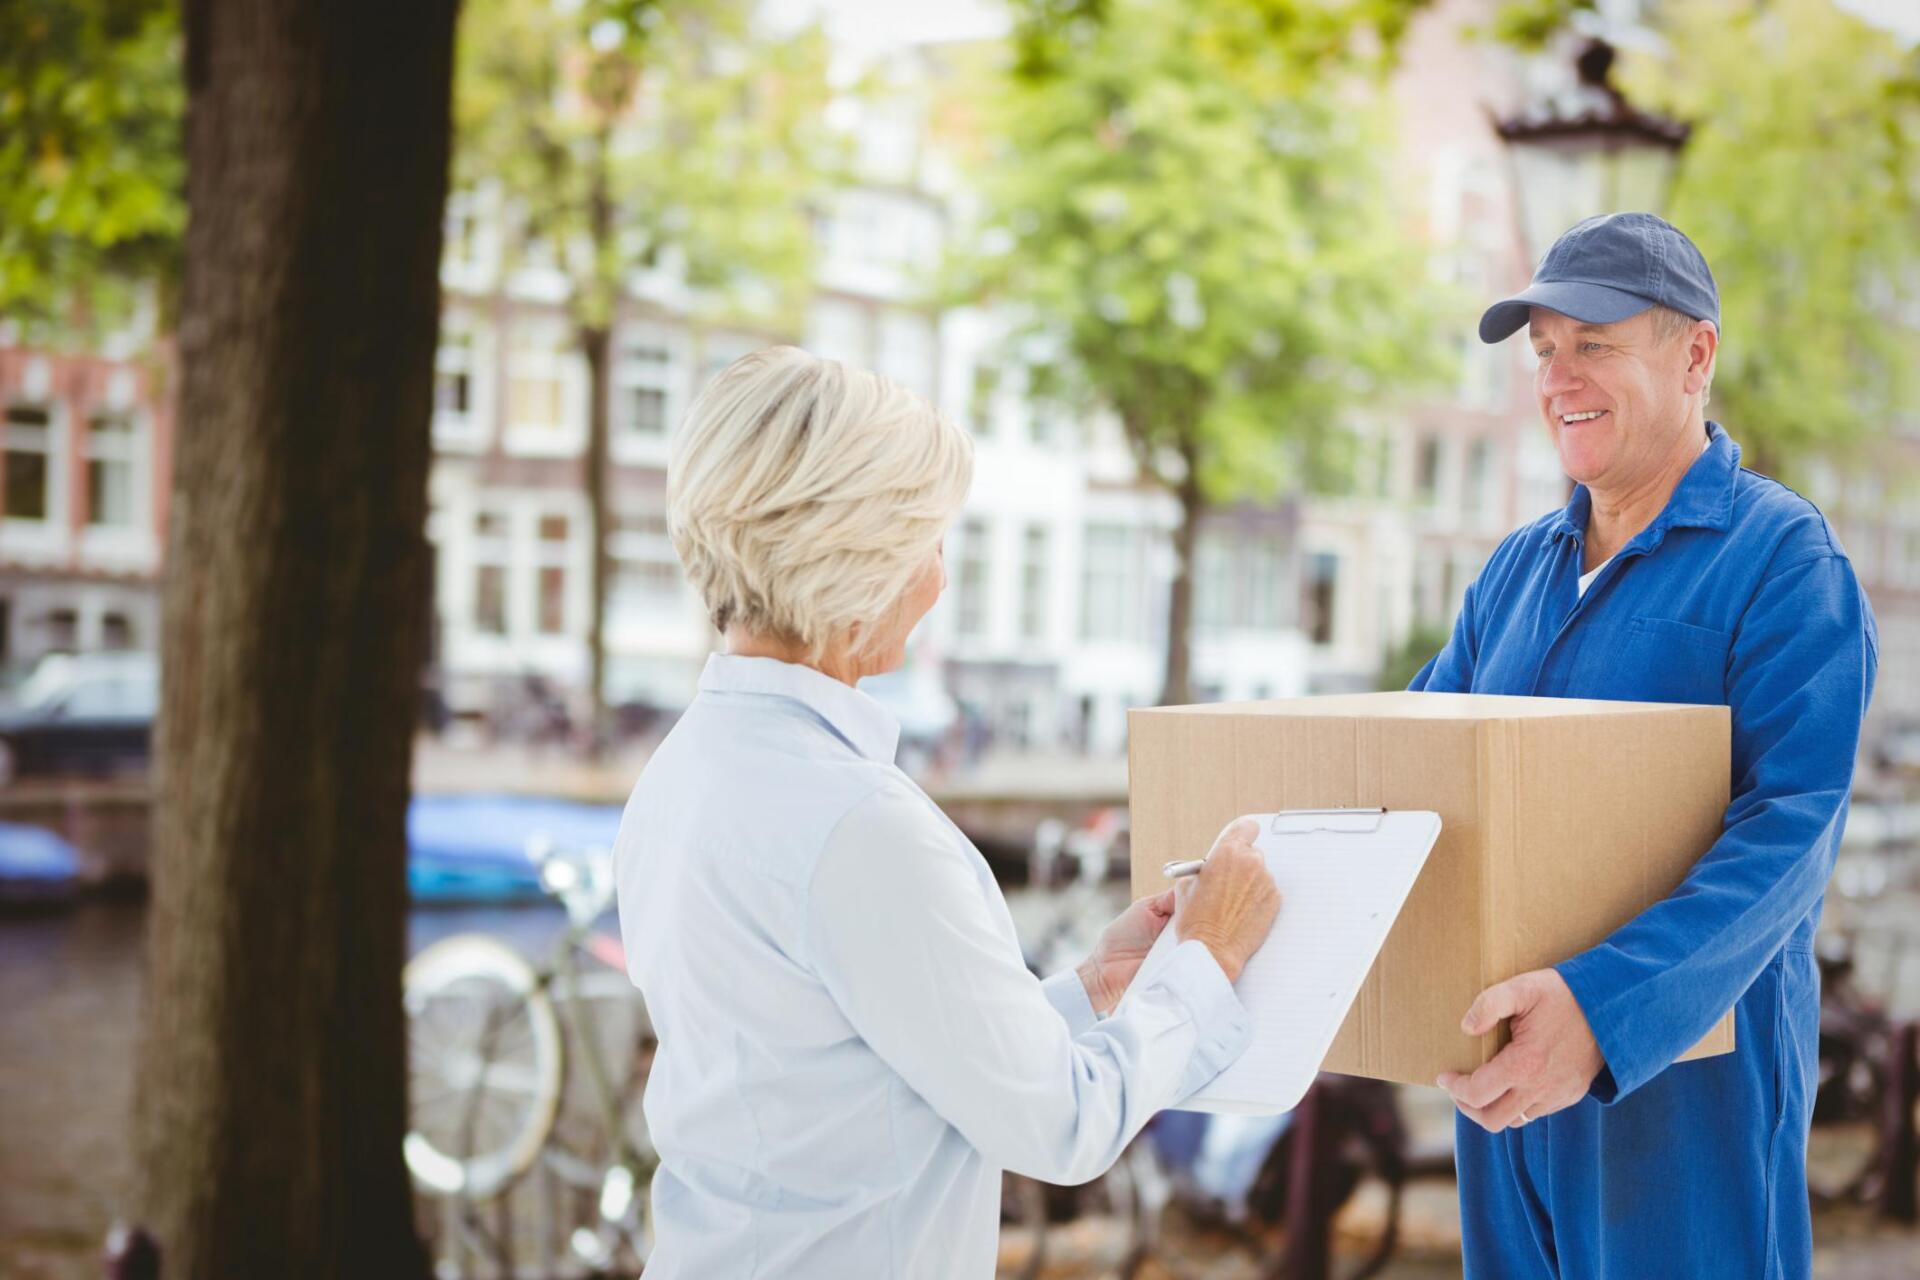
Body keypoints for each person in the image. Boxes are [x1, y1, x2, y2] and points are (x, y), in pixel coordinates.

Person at [614, 345, 1283, 1277]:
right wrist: (1209, 955)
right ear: (857, 563)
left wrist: (1090, 991)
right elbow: (1063, 1128)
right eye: (928, 540)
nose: (938, 577)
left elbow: (852, 1066)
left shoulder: (683, 773)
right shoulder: (859, 825)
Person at [1414, 212, 1878, 1277]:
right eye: (1544, 350)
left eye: (1596, 343)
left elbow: (1790, 834)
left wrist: (1603, 1010)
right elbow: (1417, 763)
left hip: (1686, 1093)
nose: (1559, 377)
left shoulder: (1781, 560)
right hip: (1504, 1083)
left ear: (1696, 353)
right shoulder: (1515, 572)